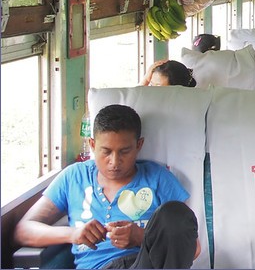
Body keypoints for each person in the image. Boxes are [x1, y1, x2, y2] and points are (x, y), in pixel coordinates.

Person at [14, 104, 200, 269]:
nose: (114, 162)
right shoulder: (74, 177)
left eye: (124, 151)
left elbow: (192, 247)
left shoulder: (158, 178)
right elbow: (24, 230)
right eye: (106, 151)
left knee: (174, 212)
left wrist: (141, 237)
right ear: (92, 145)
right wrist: (74, 234)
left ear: (139, 145)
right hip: (100, 266)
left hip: (147, 262)